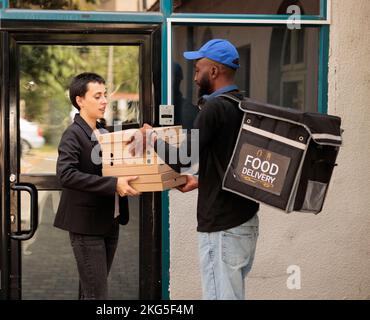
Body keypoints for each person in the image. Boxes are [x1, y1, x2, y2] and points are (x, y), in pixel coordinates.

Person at [130, 39, 259, 300]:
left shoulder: (213, 108)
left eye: (198, 68)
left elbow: (182, 160)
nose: (195, 77)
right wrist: (200, 180)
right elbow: (234, 162)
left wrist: (152, 136)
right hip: (245, 221)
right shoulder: (242, 105)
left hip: (222, 226)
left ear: (214, 71)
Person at [54, 72, 140, 300]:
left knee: (90, 292)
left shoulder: (103, 132)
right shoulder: (73, 134)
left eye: (105, 95)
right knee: (97, 295)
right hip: (87, 227)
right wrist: (114, 185)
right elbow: (66, 174)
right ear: (80, 100)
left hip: (110, 221)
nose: (104, 101)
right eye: (97, 96)